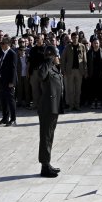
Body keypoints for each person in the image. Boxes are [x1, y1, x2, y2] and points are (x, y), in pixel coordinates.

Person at [32, 48, 65, 178]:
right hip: (47, 108)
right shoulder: (45, 67)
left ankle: (47, 163)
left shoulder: (54, 68)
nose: (58, 58)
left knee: (49, 136)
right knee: (45, 136)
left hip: (54, 107)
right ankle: (44, 167)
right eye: (56, 55)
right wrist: (48, 61)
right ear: (51, 56)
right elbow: (41, 76)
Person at [0, 37, 17, 126]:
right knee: (3, 100)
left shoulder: (12, 54)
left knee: (10, 100)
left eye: (3, 43)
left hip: (9, 81)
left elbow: (13, 68)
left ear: (7, 44)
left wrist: (12, 81)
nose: (1, 45)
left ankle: (13, 119)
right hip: (2, 80)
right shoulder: (2, 53)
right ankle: (5, 117)